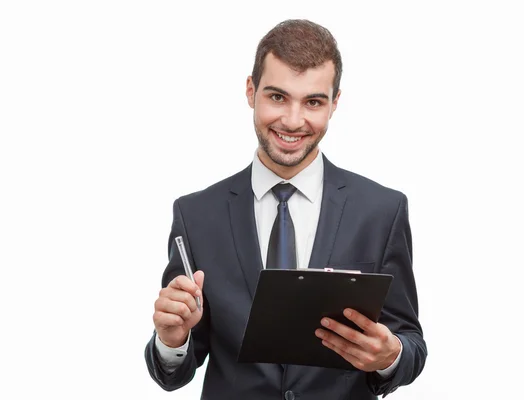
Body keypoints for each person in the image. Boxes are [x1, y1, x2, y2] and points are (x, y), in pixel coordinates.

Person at [144, 19, 427, 399]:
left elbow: (410, 343)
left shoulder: (382, 210)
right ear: (251, 91)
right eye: (277, 97)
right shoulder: (196, 215)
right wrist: (171, 339)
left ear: (335, 103)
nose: (293, 121)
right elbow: (175, 371)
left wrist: (391, 355)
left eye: (313, 102)